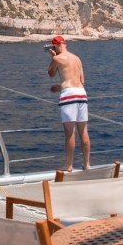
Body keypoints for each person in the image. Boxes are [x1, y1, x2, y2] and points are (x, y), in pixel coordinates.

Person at [47, 35, 90, 172]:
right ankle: (87, 164)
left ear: (56, 46)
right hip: (81, 93)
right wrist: (60, 87)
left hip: (69, 96)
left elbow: (51, 73)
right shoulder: (77, 59)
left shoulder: (57, 58)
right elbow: (81, 80)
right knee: (83, 130)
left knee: (69, 132)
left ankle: (69, 165)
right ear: (65, 44)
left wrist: (52, 57)